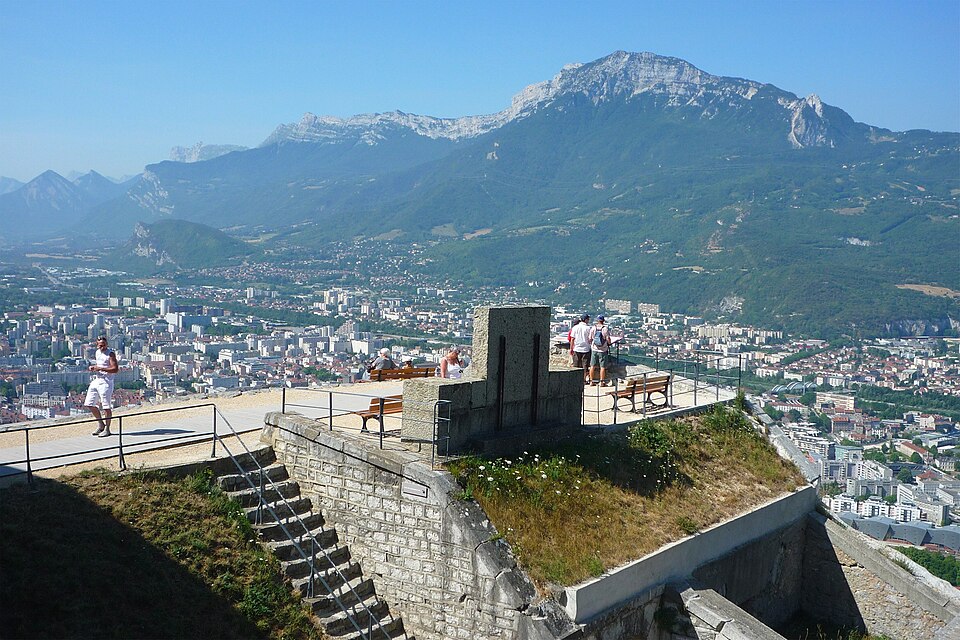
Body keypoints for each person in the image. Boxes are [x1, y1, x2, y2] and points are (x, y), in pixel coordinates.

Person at [86, 335, 119, 437]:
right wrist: (94, 368)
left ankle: (108, 429)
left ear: (107, 344)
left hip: (106, 382)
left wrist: (100, 368)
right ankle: (101, 424)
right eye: (100, 345)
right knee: (89, 403)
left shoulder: (110, 354)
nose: (102, 347)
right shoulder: (97, 352)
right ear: (97, 345)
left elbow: (115, 369)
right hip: (97, 379)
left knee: (106, 406)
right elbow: (99, 365)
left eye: (104, 345)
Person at [588, 315, 612, 387]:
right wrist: (609, 343)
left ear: (597, 320)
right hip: (603, 350)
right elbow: (608, 339)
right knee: (603, 367)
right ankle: (602, 382)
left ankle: (591, 381)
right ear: (603, 321)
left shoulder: (593, 328)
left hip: (594, 349)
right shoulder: (605, 329)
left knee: (592, 365)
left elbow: (590, 338)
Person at [569, 314, 593, 384]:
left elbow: (572, 339)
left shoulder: (575, 328)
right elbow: (590, 339)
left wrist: (571, 348)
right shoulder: (588, 328)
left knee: (576, 365)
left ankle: (575, 379)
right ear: (586, 320)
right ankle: (583, 380)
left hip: (577, 348)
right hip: (586, 349)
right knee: (585, 365)